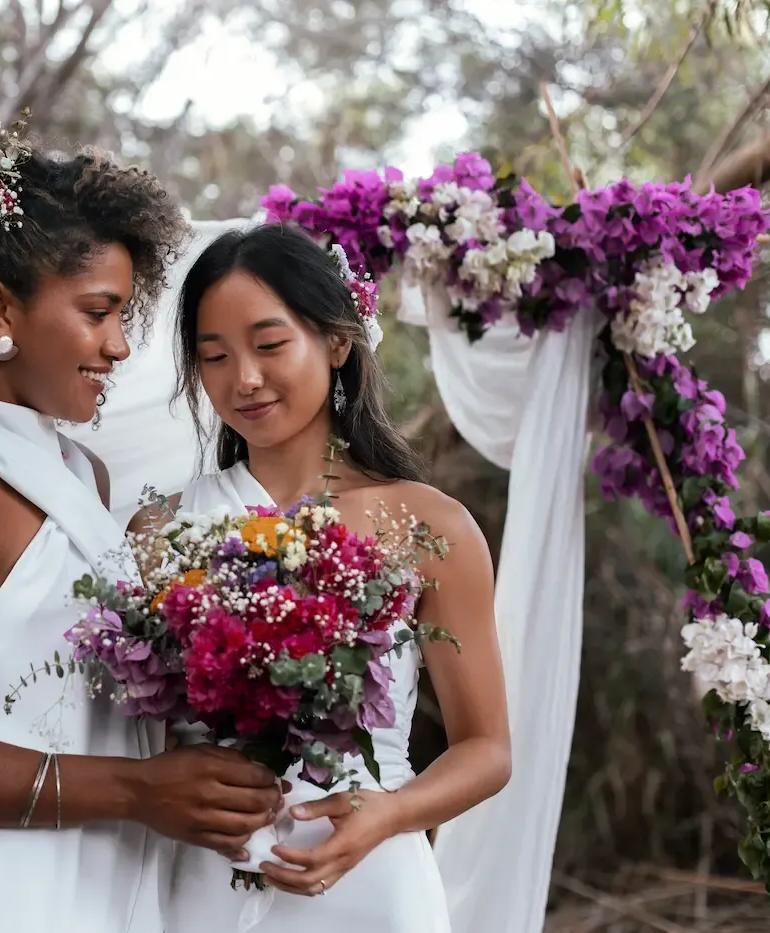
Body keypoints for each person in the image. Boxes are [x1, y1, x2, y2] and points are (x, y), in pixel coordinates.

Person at [0, 118, 282, 933]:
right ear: (0, 307)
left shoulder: (83, 472)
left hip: (103, 885)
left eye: (122, 315)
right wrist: (140, 790)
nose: (117, 346)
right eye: (98, 312)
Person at [135, 223, 511, 932]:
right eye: (214, 356)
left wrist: (389, 812)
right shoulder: (158, 530)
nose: (244, 378)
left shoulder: (430, 524)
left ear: (337, 342)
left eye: (270, 345)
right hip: (200, 881)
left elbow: (487, 747)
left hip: (371, 884)